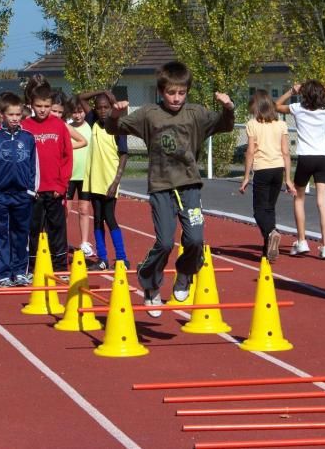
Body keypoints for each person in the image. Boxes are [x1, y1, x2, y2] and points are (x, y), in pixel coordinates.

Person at [106, 61, 235, 317]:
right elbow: (113, 128)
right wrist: (115, 114)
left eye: (181, 93)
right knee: (165, 242)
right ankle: (150, 282)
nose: (176, 98)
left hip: (189, 185)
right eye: (171, 93)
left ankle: (185, 272)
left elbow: (225, 124)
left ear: (187, 91)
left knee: (196, 239)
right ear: (160, 91)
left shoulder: (196, 114)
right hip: (161, 186)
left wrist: (229, 108)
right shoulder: (149, 114)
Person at [275, 80, 325, 259]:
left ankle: (302, 241)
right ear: (322, 94)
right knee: (323, 202)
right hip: (322, 159)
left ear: (304, 94)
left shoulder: (298, 108)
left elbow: (277, 106)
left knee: (299, 199)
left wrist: (291, 91)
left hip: (306, 158)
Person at [0, 92, 37, 287]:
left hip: (23, 195)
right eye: (11, 114)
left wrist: (31, 190)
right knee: (2, 236)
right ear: (2, 115)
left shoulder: (28, 137)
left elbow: (34, 164)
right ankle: (4, 274)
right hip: (0, 195)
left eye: (18, 114)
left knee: (21, 234)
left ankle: (20, 271)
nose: (15, 118)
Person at [239, 90, 296, 262]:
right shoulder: (281, 125)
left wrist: (246, 176)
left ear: (256, 107)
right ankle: (267, 249)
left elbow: (250, 151)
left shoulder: (252, 124)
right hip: (278, 169)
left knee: (259, 211)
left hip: (262, 169)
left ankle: (272, 232)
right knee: (269, 208)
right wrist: (288, 179)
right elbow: (286, 152)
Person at [21, 85, 73, 273]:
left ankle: (59, 267)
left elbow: (67, 156)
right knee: (33, 229)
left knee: (57, 229)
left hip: (55, 188)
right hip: (32, 189)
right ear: (31, 105)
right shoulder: (25, 126)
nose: (42, 110)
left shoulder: (59, 126)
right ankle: (33, 266)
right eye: (39, 105)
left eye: (46, 106)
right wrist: (26, 185)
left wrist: (62, 185)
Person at [80, 90, 130, 272]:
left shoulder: (118, 127)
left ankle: (122, 258)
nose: (102, 111)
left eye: (106, 107)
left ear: (111, 108)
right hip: (94, 180)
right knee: (97, 219)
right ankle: (102, 259)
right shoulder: (93, 121)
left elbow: (124, 155)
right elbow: (81, 98)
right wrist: (102, 92)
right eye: (99, 107)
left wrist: (116, 182)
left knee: (110, 218)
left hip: (109, 181)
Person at [66, 95, 94, 257]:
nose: (77, 115)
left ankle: (84, 242)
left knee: (84, 209)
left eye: (80, 111)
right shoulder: (67, 127)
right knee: (65, 211)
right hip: (69, 175)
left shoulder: (90, 126)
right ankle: (62, 240)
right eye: (74, 112)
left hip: (85, 175)